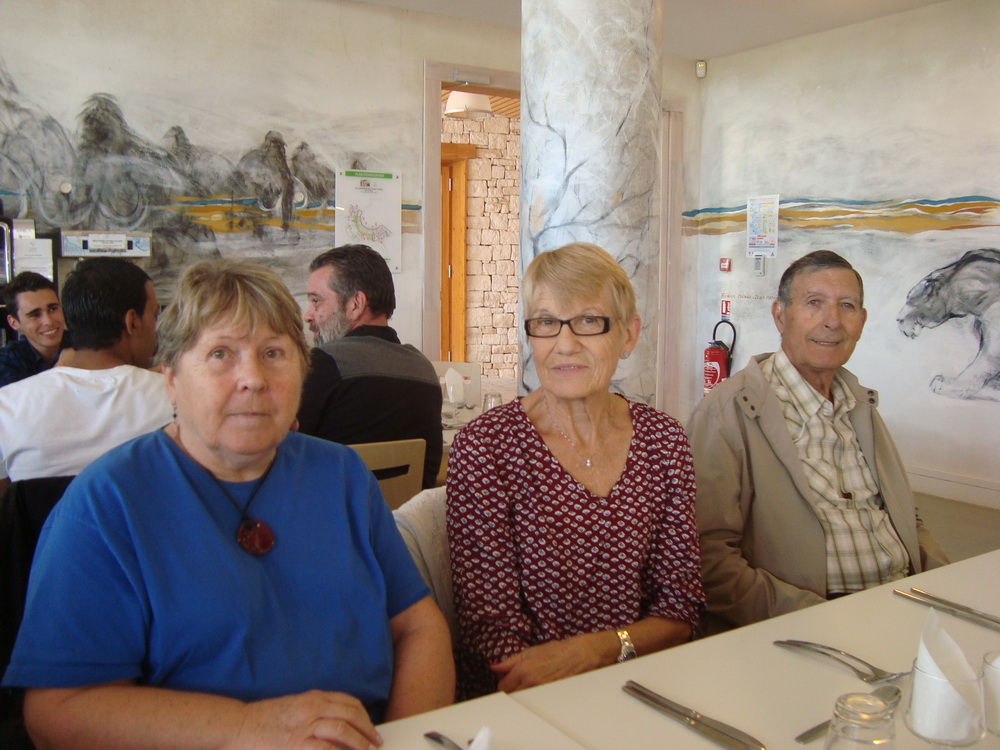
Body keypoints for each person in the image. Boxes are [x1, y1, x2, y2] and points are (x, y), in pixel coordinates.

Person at [2, 259, 454, 750]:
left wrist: (403, 741)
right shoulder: (108, 503)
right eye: (221, 354)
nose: (253, 378)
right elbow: (57, 711)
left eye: (274, 353)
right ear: (171, 379)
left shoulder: (342, 476)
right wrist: (245, 727)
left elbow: (418, 627)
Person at [446, 242, 703, 700]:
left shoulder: (664, 440)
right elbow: (493, 636)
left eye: (588, 320)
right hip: (523, 702)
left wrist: (597, 652)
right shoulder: (486, 447)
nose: (565, 344)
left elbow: (681, 609)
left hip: (643, 688)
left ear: (628, 335)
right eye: (546, 322)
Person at [687, 250, 949, 634]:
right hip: (810, 619)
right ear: (780, 315)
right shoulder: (727, 412)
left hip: (901, 601)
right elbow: (707, 558)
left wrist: (944, 584)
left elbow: (907, 517)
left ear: (862, 321)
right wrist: (817, 618)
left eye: (847, 306)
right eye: (814, 303)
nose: (832, 321)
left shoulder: (859, 405)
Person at [0, 258, 172, 484]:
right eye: (154, 315)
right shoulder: (176, 401)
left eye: (52, 309)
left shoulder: (7, 406)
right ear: (132, 322)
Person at [298, 244, 443, 489]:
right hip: (407, 513)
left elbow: (279, 451)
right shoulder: (424, 369)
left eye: (316, 301)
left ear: (356, 304)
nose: (308, 315)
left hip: (334, 511)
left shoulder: (321, 363)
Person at [0, 271, 69, 387]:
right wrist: (60, 367)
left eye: (53, 309)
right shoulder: (7, 360)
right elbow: (21, 398)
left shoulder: (84, 346)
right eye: (35, 315)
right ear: (14, 323)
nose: (48, 321)